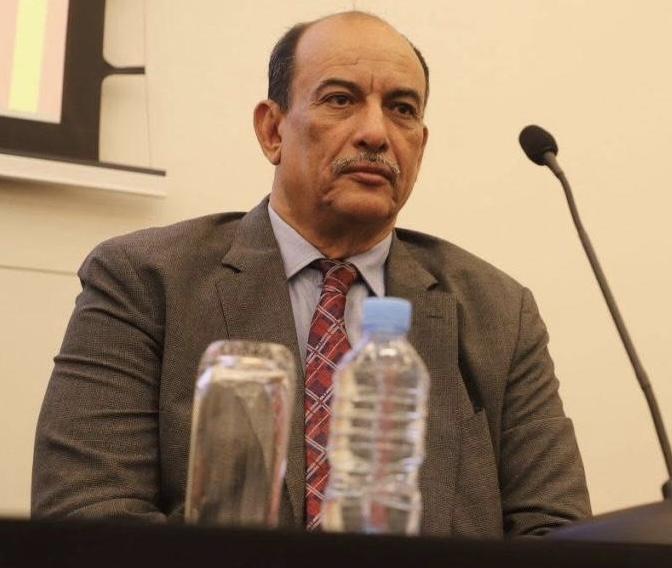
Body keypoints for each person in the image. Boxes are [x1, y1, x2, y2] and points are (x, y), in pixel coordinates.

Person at [32, 11, 590, 537]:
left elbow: (557, 536)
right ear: (272, 130)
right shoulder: (146, 281)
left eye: (402, 109)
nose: (375, 133)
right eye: (340, 100)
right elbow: (88, 516)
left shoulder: (498, 312)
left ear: (421, 144)